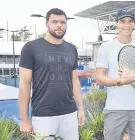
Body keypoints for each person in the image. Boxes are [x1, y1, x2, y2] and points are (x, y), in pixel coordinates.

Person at [18, 8, 85, 139]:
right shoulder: (31, 48)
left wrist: (81, 108)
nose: (59, 25)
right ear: (46, 23)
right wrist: (24, 119)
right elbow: (24, 84)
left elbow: (74, 80)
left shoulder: (71, 49)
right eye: (54, 22)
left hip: (69, 113)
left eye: (62, 22)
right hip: (43, 115)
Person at [95, 8, 135, 140]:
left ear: (134, 24)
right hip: (114, 109)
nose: (126, 25)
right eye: (123, 21)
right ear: (116, 23)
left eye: (130, 21)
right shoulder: (105, 47)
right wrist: (120, 81)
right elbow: (99, 77)